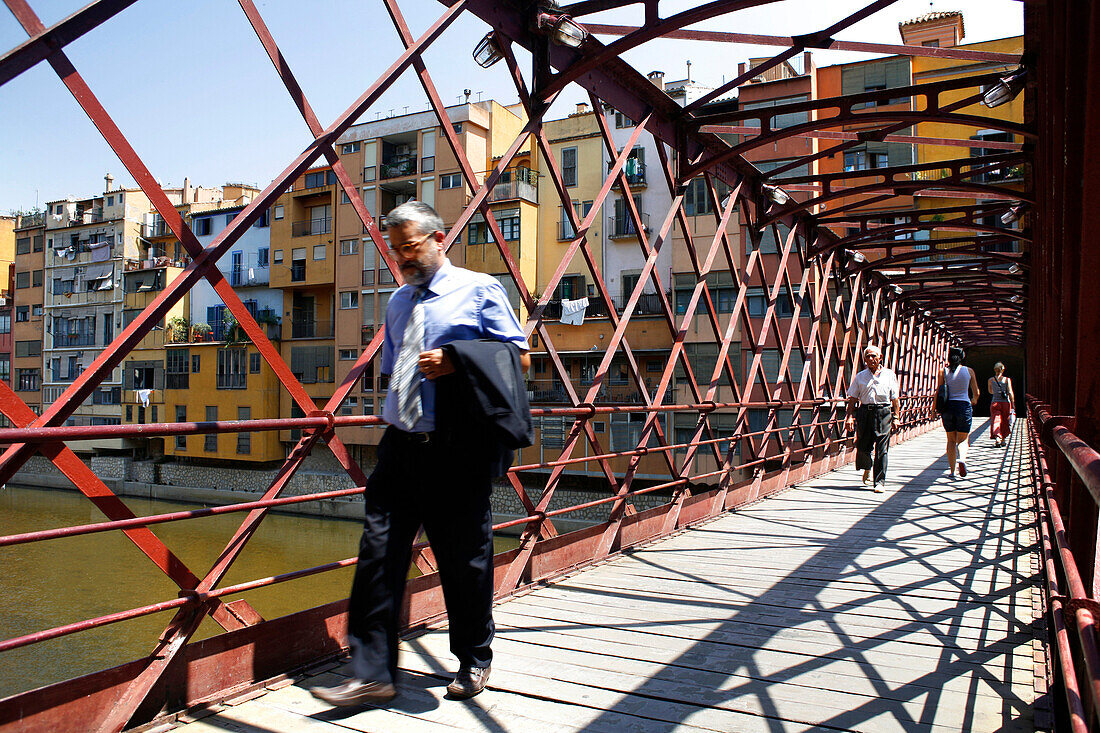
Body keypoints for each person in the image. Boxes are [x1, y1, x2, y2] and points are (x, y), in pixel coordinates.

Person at [310, 201, 531, 707]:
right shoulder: (397, 302)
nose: (403, 258)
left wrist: (456, 359)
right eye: (395, 249)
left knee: (464, 560)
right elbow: (395, 366)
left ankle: (475, 656)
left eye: (410, 246)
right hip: (401, 444)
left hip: (456, 449)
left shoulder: (478, 289)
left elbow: (518, 356)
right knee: (378, 554)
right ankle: (371, 671)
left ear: (437, 239)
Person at [844, 344, 900, 493]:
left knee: (882, 449)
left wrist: (896, 417)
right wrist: (849, 417)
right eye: (867, 356)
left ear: (880, 358)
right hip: (865, 412)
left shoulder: (889, 375)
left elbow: (895, 398)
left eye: (873, 356)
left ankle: (879, 482)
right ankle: (867, 467)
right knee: (862, 445)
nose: (870, 359)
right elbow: (853, 398)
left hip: (884, 412)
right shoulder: (860, 376)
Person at [937, 346, 980, 477]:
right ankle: (962, 459)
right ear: (962, 357)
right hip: (964, 406)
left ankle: (951, 471)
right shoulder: (969, 371)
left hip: (948, 407)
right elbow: (976, 392)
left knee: (951, 440)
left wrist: (934, 410)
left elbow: (938, 392)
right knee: (963, 440)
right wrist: (973, 401)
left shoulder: (942, 371)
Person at [987, 362, 1015, 447]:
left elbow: (990, 391)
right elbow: (1010, 392)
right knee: (1005, 420)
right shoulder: (1007, 380)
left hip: (995, 402)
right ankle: (1003, 439)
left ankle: (998, 437)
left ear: (995, 370)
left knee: (996, 419)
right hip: (1005, 403)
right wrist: (1013, 404)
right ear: (1003, 370)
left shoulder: (991, 380)